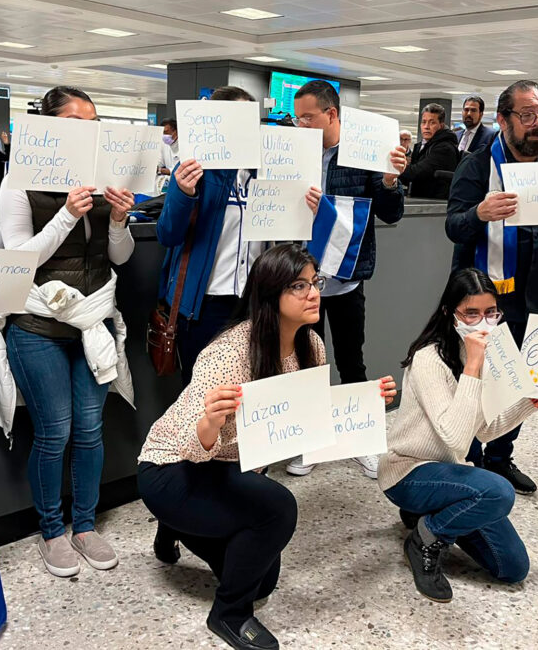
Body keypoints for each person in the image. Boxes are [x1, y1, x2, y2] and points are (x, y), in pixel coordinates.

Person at [138, 244, 398, 650]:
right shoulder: (227, 354)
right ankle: (229, 614)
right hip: (172, 466)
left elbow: (311, 424)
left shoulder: (311, 346)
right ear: (270, 294)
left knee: (263, 581)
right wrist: (211, 422)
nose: (314, 293)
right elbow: (191, 442)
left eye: (315, 282)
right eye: (299, 286)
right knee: (279, 508)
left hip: (227, 466)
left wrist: (366, 406)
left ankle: (177, 526)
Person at [0, 86, 136, 577]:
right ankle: (52, 531)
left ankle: (85, 526)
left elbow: (118, 256)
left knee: (90, 430)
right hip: (38, 323)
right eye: (76, 122)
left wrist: (118, 220)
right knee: (54, 431)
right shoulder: (18, 181)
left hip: (92, 320)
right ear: (49, 125)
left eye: (93, 122)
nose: (88, 132)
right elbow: (19, 259)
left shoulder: (103, 177)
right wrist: (66, 214)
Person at [379, 268, 538, 602]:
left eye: (491, 313)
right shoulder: (428, 359)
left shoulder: (482, 356)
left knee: (512, 567)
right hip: (408, 471)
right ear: (450, 314)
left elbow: (485, 429)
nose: (483, 323)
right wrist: (473, 367)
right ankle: (425, 539)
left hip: (453, 473)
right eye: (471, 314)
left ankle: (429, 514)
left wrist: (530, 403)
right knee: (499, 492)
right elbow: (457, 439)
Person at [444, 80, 538, 494]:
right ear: (503, 120)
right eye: (527, 115)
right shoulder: (477, 165)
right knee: (473, 380)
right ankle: (469, 459)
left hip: (532, 297)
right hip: (481, 298)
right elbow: (453, 227)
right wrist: (479, 214)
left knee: (518, 382)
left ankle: (501, 458)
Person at [156, 87, 322, 385]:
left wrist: (306, 212)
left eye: (249, 119)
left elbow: (289, 246)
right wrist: (183, 193)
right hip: (205, 304)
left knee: (257, 385)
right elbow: (168, 234)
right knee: (204, 390)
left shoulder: (271, 168)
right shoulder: (195, 169)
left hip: (258, 301)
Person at [285, 79, 407, 479]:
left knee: (352, 362)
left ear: (331, 114)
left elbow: (391, 213)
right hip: (301, 281)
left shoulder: (362, 153)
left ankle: (361, 442)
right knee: (306, 366)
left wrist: (389, 181)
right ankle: (310, 442)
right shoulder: (295, 152)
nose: (301, 125)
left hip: (346, 279)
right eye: (297, 118)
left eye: (308, 117)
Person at [399, 103, 459, 200]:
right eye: (424, 122)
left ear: (441, 125)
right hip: (419, 199)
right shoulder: (420, 146)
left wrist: (394, 167)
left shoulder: (445, 148)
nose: (426, 126)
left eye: (432, 123)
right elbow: (409, 179)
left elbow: (417, 173)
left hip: (435, 203)